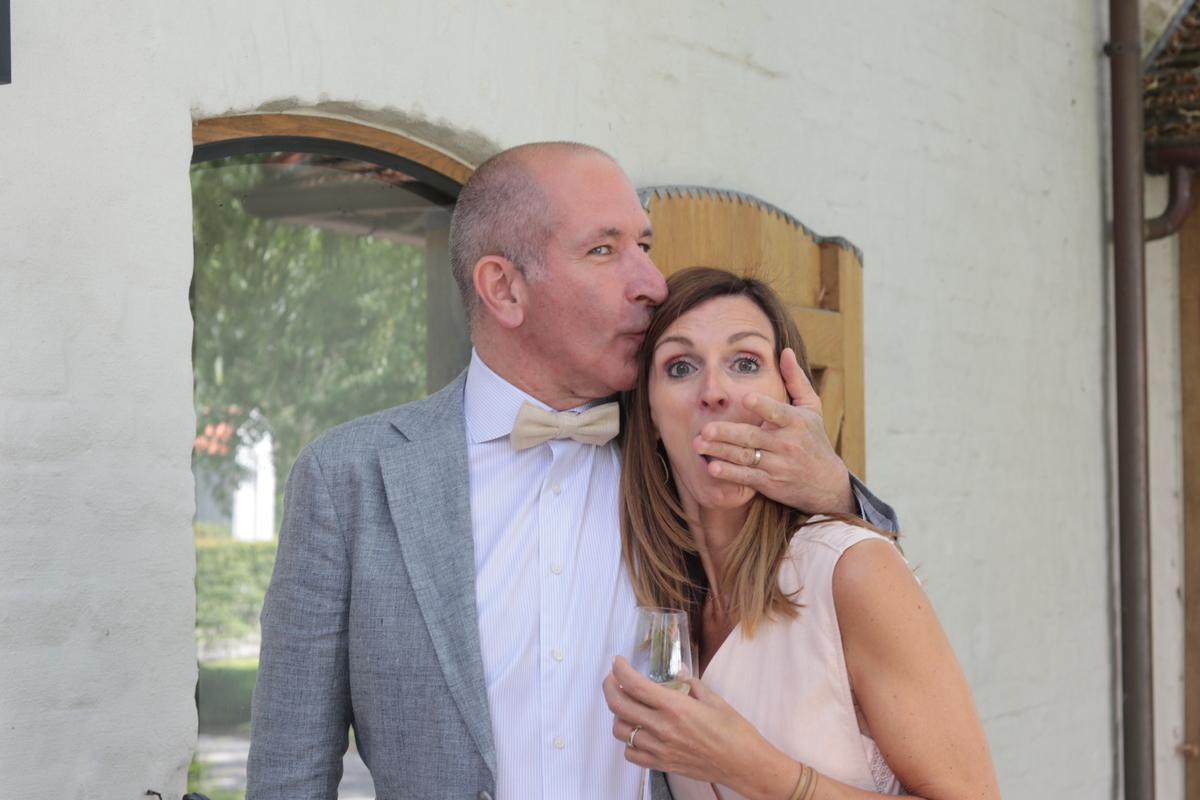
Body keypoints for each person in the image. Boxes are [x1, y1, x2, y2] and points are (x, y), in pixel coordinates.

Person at [246, 144, 900, 800]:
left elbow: (845, 590)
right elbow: (289, 772)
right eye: (604, 250)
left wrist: (833, 488)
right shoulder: (348, 479)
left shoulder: (682, 445)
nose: (653, 283)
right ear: (504, 288)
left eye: (644, 245)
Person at [603, 267, 999, 800]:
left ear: (789, 398)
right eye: (680, 367)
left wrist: (753, 768)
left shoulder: (852, 570)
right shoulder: (665, 607)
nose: (713, 391)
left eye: (745, 363)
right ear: (650, 414)